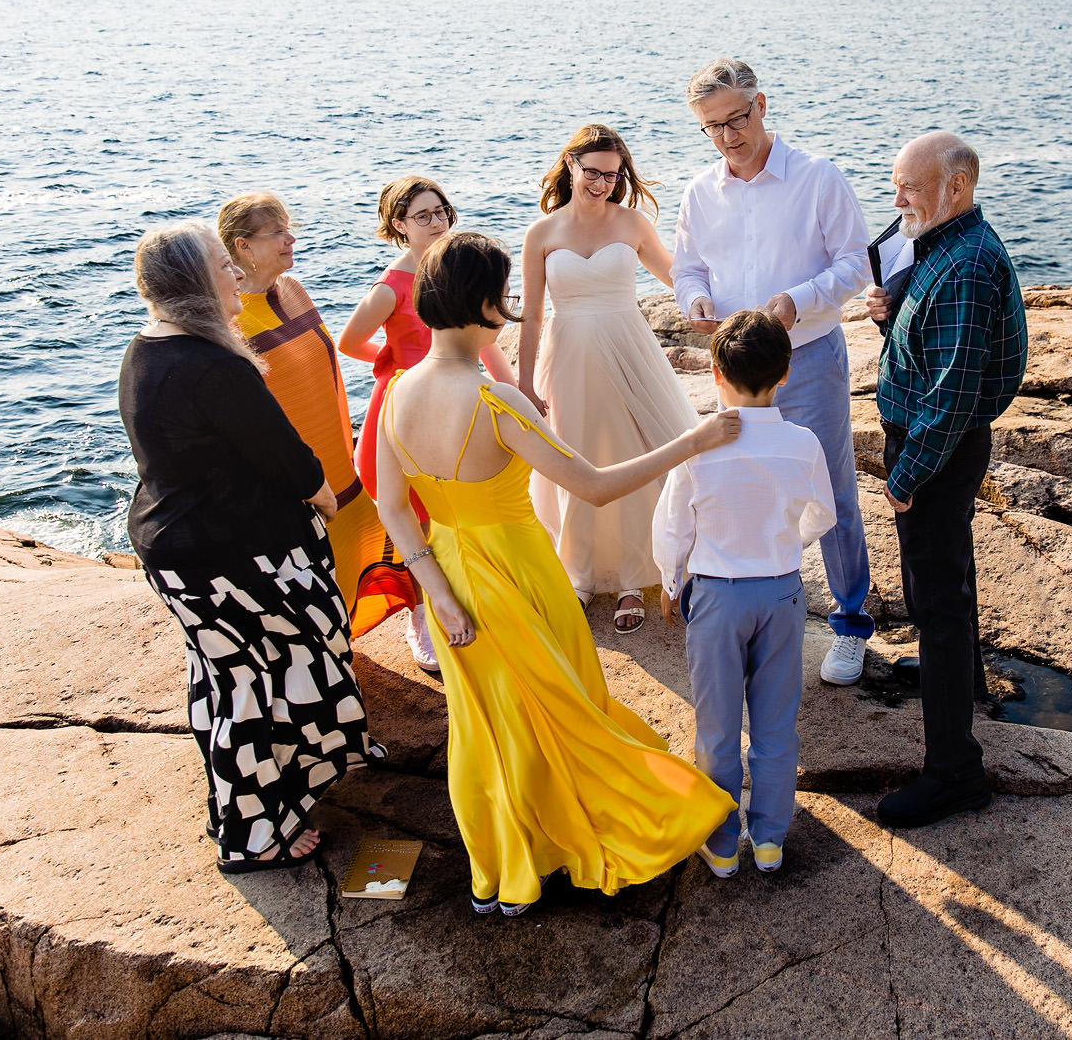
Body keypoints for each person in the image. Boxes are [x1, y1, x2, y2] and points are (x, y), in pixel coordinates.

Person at [371, 231, 740, 915]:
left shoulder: (395, 392)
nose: (508, 305)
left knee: (487, 723)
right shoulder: (494, 401)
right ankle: (562, 843)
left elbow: (392, 507)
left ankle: (509, 866)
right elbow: (594, 485)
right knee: (561, 710)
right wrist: (691, 441)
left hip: (451, 569)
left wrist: (438, 593)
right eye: (504, 294)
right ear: (484, 304)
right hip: (517, 568)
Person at [117, 222, 376, 871]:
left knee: (230, 680)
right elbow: (288, 458)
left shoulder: (147, 348)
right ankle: (255, 833)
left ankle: (251, 808)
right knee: (265, 678)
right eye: (219, 266)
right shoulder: (213, 366)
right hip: (229, 556)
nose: (235, 276)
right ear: (195, 285)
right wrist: (323, 498)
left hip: (178, 548)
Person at [674, 58, 874, 687]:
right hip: (733, 361)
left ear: (762, 105)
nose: (729, 134)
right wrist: (695, 301)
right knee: (739, 481)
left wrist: (799, 299)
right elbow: (688, 268)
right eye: (714, 126)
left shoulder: (818, 177)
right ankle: (757, 614)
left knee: (832, 485)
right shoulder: (699, 192)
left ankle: (850, 622)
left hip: (809, 355)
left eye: (737, 117)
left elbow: (856, 265)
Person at [862, 133, 1026, 829]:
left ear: (954, 187)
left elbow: (953, 394)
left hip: (938, 447)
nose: (896, 199)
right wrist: (892, 318)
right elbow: (938, 352)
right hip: (945, 443)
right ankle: (953, 672)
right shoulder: (947, 244)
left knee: (938, 595)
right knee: (946, 581)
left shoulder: (962, 266)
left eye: (910, 186)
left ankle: (955, 771)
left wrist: (905, 474)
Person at [654, 310, 834, 879]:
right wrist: (788, 541)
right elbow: (824, 514)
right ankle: (772, 839)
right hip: (781, 595)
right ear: (785, 373)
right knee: (777, 726)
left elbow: (673, 526)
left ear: (714, 373)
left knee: (717, 726)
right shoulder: (803, 443)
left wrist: (668, 581)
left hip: (717, 597)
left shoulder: (701, 445)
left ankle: (724, 843)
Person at [519, 124, 696, 633]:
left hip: (629, 351)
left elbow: (677, 276)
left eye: (612, 176)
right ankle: (577, 573)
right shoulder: (543, 233)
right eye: (592, 172)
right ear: (571, 164)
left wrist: (717, 297)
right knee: (576, 458)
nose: (601, 184)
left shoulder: (633, 223)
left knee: (631, 456)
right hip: (569, 356)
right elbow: (531, 315)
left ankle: (630, 578)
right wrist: (526, 384)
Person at [340, 176, 515, 671]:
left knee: (458, 504)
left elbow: (488, 335)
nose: (437, 222)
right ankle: (421, 614)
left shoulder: (453, 267)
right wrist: (396, 365)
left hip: (456, 403)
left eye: (441, 211)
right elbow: (349, 343)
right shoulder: (390, 287)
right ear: (399, 224)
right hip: (405, 408)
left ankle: (472, 592)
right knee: (414, 518)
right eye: (423, 216)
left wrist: (516, 388)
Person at [219, 191, 395, 640]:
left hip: (335, 455)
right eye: (277, 232)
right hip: (291, 475)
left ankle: (340, 637)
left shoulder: (292, 289)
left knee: (360, 541)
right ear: (244, 246)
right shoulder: (229, 321)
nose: (289, 239)